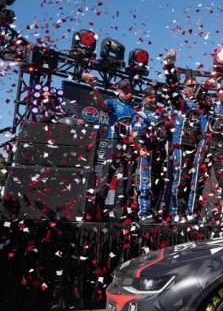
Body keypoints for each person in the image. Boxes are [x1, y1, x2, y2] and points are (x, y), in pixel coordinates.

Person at [82, 74, 137, 217]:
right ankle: (98, 209)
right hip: (114, 142)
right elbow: (101, 104)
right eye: (125, 90)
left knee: (128, 178)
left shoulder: (133, 108)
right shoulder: (113, 102)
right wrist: (93, 86)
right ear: (118, 90)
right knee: (107, 176)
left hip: (129, 146)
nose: (128, 92)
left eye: (129, 89)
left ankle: (122, 211)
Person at [187, 82, 223, 222]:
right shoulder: (210, 104)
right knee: (197, 179)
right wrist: (201, 90)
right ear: (218, 91)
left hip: (222, 145)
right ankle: (191, 214)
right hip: (206, 143)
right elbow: (198, 100)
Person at [168, 75, 202, 222]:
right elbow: (172, 92)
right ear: (183, 87)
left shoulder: (199, 104)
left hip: (194, 146)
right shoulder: (181, 102)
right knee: (179, 178)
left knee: (191, 180)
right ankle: (176, 212)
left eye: (195, 85)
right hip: (180, 145)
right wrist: (169, 66)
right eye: (190, 85)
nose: (193, 88)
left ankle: (189, 211)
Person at [133, 86, 169, 222]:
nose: (153, 100)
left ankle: (154, 211)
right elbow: (135, 133)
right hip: (147, 152)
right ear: (145, 97)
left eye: (155, 97)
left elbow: (167, 130)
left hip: (160, 152)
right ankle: (143, 213)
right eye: (150, 97)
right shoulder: (141, 114)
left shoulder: (160, 113)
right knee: (145, 182)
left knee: (159, 183)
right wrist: (140, 148)